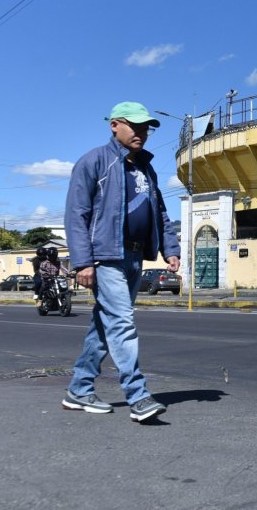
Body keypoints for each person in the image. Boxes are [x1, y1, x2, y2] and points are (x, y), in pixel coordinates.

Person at [62, 101, 181, 423]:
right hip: (106, 257)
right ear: (115, 124)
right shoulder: (94, 162)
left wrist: (171, 248)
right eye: (136, 126)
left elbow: (161, 212)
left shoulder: (145, 167)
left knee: (105, 326)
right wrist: (82, 262)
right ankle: (138, 395)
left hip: (134, 256)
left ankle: (79, 389)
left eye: (146, 128)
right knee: (122, 322)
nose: (142, 133)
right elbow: (77, 214)